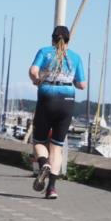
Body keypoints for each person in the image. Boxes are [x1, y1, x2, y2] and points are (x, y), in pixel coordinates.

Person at [28, 25, 86, 200]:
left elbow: (33, 71)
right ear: (68, 40)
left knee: (38, 141)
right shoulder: (76, 57)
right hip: (67, 103)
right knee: (57, 147)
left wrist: (37, 80)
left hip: (47, 99)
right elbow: (82, 85)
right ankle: (52, 188)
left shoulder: (44, 52)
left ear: (52, 38)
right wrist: (71, 81)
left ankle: (43, 164)